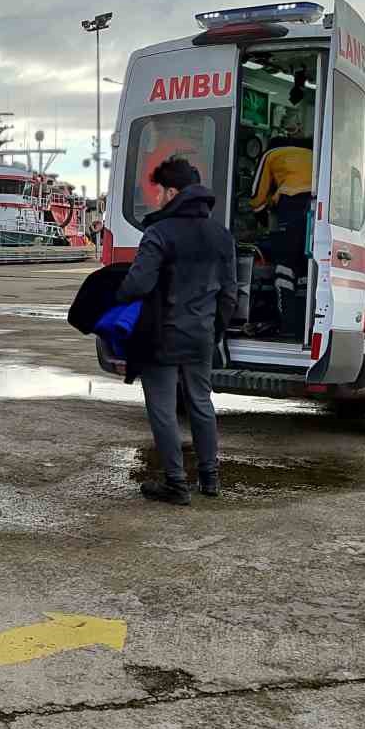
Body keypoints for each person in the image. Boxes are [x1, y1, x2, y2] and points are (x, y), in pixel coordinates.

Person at [116, 157, 238, 504]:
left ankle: (176, 483)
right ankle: (210, 478)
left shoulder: (159, 232)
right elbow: (230, 293)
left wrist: (115, 295)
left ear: (172, 192)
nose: (156, 200)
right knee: (201, 403)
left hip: (162, 334)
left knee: (163, 408)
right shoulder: (221, 235)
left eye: (158, 193)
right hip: (201, 333)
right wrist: (214, 329)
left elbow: (138, 284)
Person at [249, 123, 313, 332]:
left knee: (284, 267)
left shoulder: (272, 153)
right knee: (305, 269)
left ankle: (288, 326)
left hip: (292, 206)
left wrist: (260, 217)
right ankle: (304, 326)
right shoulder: (313, 153)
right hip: (316, 211)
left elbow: (256, 193)